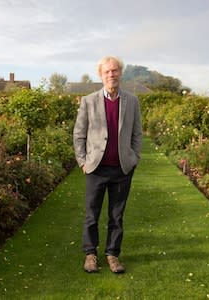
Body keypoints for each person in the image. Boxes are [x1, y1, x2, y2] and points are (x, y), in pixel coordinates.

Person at [73, 55, 142, 273]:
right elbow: (79, 134)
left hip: (122, 169)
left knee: (117, 215)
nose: (111, 75)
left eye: (114, 71)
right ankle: (90, 255)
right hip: (96, 169)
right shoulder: (89, 101)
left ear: (120, 73)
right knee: (91, 215)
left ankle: (113, 255)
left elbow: (137, 133)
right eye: (107, 72)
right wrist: (83, 161)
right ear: (101, 75)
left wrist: (134, 158)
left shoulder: (132, 101)